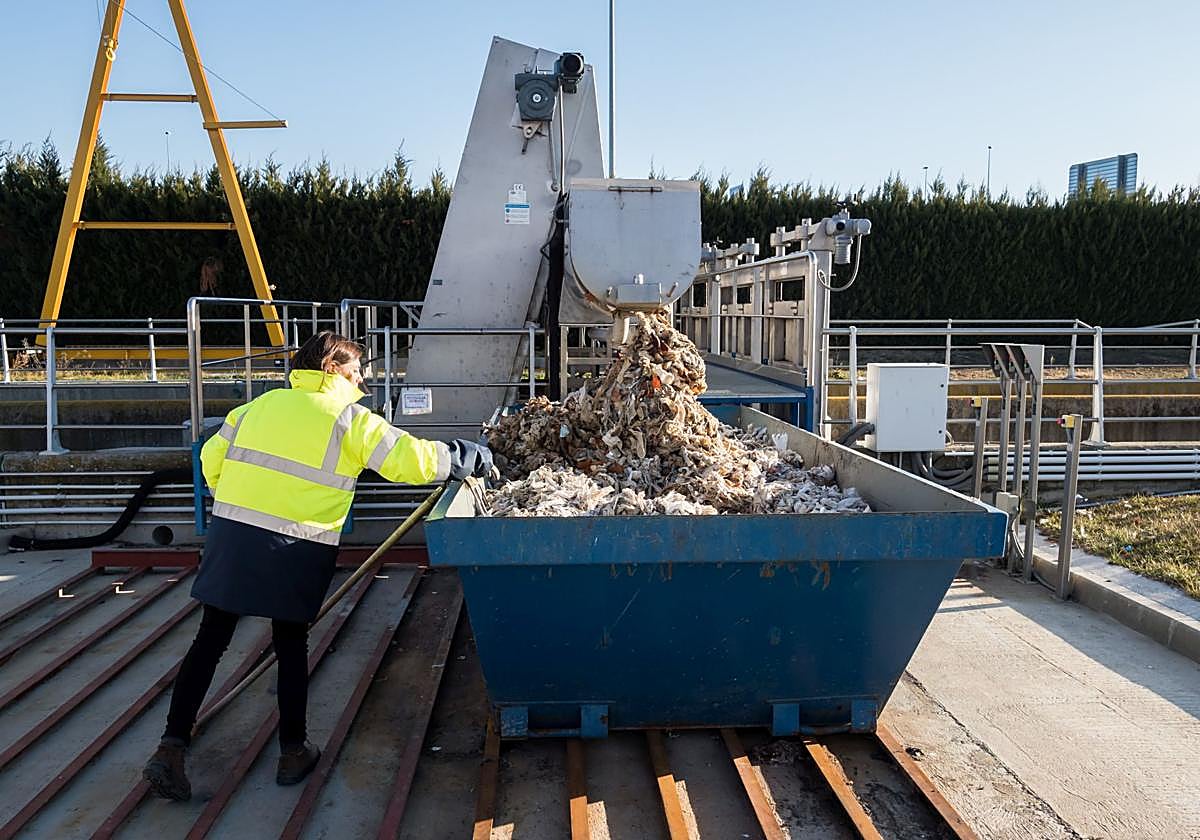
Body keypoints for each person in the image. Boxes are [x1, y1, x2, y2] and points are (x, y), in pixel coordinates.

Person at [143, 331, 491, 801]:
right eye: (356, 370)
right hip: (297, 547)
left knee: (210, 641)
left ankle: (171, 747)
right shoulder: (350, 419)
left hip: (234, 538)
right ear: (331, 367)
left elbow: (211, 458)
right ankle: (292, 751)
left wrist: (236, 499)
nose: (363, 378)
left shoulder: (257, 408)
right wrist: (460, 456)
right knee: (289, 644)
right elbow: (409, 459)